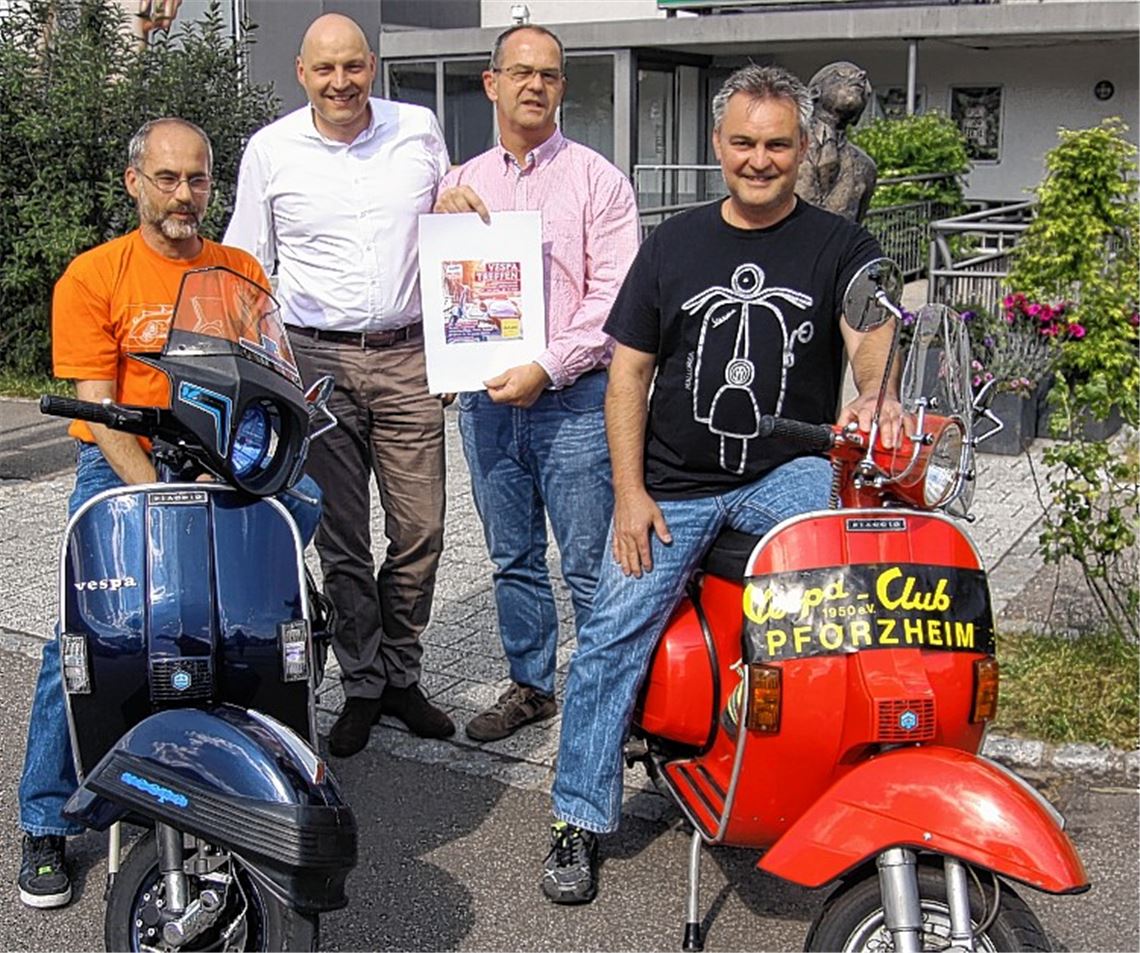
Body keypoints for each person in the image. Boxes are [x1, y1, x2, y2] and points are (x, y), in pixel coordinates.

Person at [539, 65, 903, 905]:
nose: (760, 159)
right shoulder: (672, 243)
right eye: (743, 142)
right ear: (717, 145)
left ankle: (829, 775)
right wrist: (631, 495)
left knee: (856, 587)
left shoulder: (838, 245)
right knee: (610, 632)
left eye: (778, 144)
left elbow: (872, 330)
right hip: (676, 483)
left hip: (787, 471)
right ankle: (576, 816)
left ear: (803, 147)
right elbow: (627, 374)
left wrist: (878, 395)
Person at [17, 117, 321, 909]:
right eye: (167, 179)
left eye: (196, 179)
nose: (184, 195)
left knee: (296, 532)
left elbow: (267, 368)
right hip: (122, 462)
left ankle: (261, 742)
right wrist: (156, 492)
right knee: (85, 627)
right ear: (135, 184)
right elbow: (100, 406)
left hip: (222, 458)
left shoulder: (237, 268)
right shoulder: (93, 276)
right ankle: (45, 818)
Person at [224, 13, 455, 758]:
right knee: (343, 538)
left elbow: (455, 242)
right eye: (325, 70)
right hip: (316, 363)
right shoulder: (271, 150)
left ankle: (401, 670)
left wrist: (459, 352)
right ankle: (363, 683)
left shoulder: (418, 128)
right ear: (301, 72)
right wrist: (263, 375)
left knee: (421, 529)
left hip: (410, 355)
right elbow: (246, 266)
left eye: (353, 66)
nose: (340, 83)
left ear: (373, 66)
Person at [433, 24, 640, 743]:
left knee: (589, 560)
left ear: (562, 88)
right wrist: (436, 222)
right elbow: (435, 289)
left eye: (549, 75)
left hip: (575, 402)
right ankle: (531, 686)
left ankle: (611, 696)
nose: (534, 85)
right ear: (491, 83)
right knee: (511, 556)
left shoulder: (598, 181)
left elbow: (613, 301)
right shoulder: (459, 184)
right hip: (488, 407)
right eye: (520, 72)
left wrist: (546, 366)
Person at [794, 61, 877, 223]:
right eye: (842, 74)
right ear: (814, 93)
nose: (861, 76)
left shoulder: (866, 167)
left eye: (864, 89)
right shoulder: (782, 151)